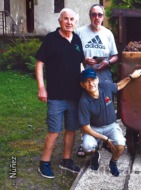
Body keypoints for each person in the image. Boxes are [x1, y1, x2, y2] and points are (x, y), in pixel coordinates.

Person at [35, 8, 85, 179]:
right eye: (66, 19)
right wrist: (42, 87)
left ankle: (66, 160)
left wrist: (87, 81)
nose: (69, 22)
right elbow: (40, 63)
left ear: (75, 22)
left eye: (72, 19)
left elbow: (80, 64)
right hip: (56, 95)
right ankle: (44, 163)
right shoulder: (51, 39)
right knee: (54, 131)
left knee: (71, 129)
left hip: (75, 95)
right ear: (60, 21)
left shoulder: (77, 39)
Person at [79, 68, 141, 176]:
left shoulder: (106, 86)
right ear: (82, 84)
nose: (91, 83)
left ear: (97, 79)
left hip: (111, 126)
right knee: (87, 146)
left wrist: (131, 77)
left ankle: (113, 162)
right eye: (87, 81)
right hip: (93, 128)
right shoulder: (84, 102)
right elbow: (86, 128)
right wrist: (105, 139)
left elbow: (119, 86)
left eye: (93, 79)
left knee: (121, 144)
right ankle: (94, 156)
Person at [76, 4, 118, 83]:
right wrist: (84, 59)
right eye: (94, 14)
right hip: (84, 77)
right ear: (89, 16)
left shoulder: (108, 33)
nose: (97, 17)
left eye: (100, 15)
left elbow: (115, 56)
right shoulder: (79, 32)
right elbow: (73, 54)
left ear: (103, 16)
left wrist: (108, 62)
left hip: (104, 77)